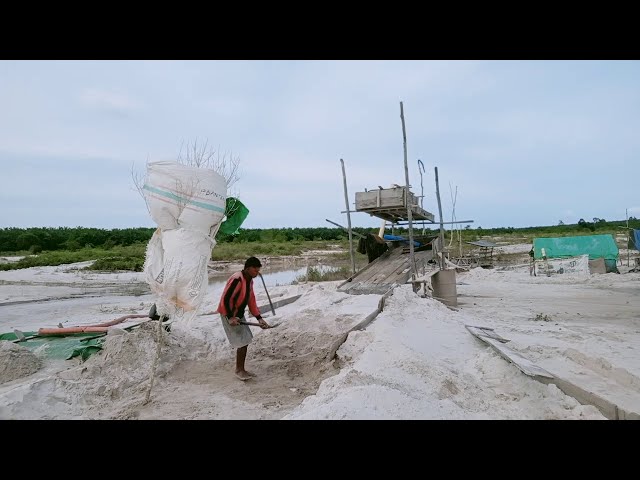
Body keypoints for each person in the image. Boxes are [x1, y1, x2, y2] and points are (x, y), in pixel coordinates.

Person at [217, 256, 270, 380]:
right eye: (255, 270)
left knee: (245, 340)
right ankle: (239, 370)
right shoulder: (237, 279)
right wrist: (230, 317)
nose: (257, 273)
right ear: (247, 268)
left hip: (239, 315)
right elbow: (226, 298)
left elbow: (251, 300)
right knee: (242, 342)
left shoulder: (249, 280)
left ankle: (242, 369)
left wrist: (259, 318)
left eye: (258, 271)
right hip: (229, 313)